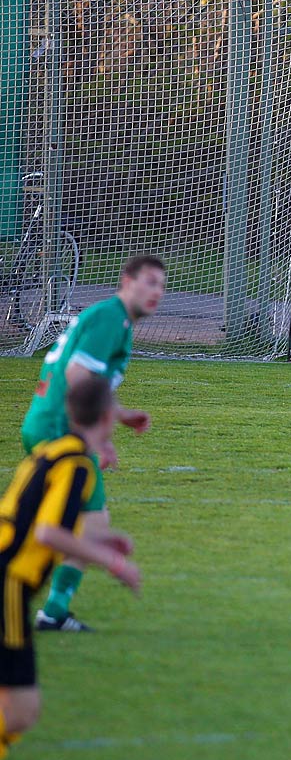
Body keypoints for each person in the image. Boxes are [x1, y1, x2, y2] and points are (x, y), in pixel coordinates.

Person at [1, 380, 143, 760]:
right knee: (21, 709)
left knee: (14, 707)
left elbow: (37, 523)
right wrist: (113, 562)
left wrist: (98, 542)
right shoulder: (76, 464)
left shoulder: (52, 452)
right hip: (7, 584)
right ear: (106, 417)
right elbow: (48, 533)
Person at [26, 253, 164, 632]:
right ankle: (52, 609)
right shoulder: (112, 318)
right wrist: (93, 440)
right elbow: (76, 376)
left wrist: (118, 415)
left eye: (162, 286)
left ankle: (53, 609)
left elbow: (91, 383)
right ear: (126, 280)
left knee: (61, 519)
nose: (157, 292)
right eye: (149, 282)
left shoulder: (116, 321)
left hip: (49, 423)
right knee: (90, 523)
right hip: (60, 428)